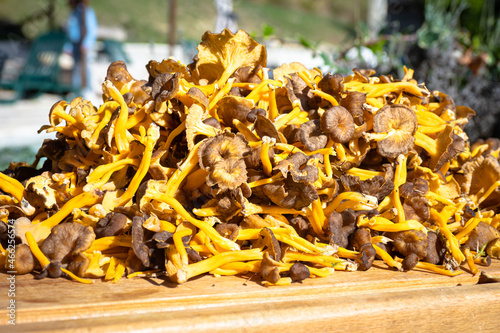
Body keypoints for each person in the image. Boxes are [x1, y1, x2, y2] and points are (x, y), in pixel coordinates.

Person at [64, 0, 98, 98]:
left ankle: (89, 90)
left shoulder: (86, 11)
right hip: (75, 44)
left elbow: (92, 29)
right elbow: (70, 30)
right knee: (76, 67)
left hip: (84, 45)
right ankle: (76, 90)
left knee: (87, 67)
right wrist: (68, 46)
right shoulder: (74, 12)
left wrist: (87, 43)